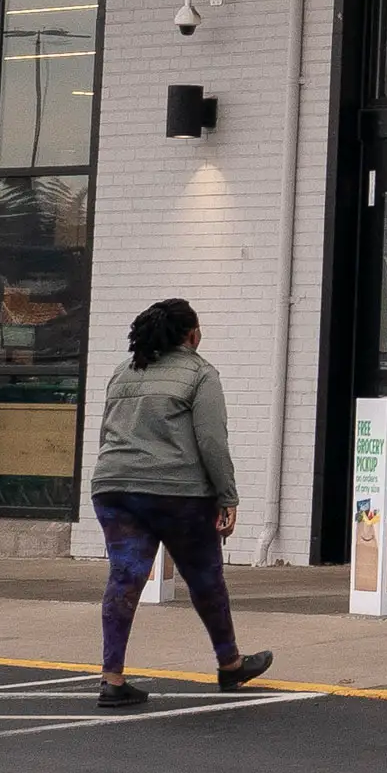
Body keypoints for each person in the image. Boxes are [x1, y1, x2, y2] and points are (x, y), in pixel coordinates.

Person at [88, 298, 273, 708]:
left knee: (124, 580)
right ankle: (230, 664)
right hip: (177, 494)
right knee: (206, 580)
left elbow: (106, 432)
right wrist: (227, 496)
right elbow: (211, 441)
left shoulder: (123, 372)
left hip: (114, 488)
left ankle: (112, 678)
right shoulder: (200, 374)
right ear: (192, 335)